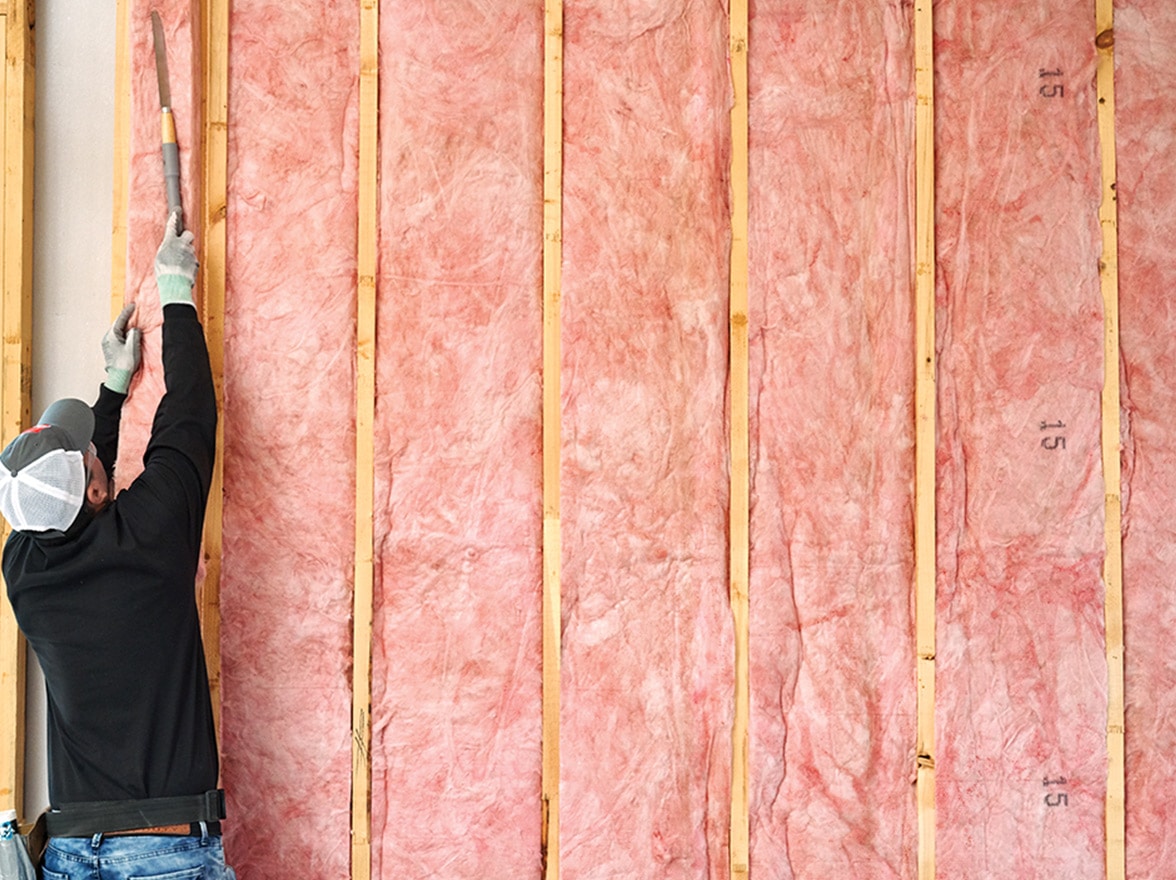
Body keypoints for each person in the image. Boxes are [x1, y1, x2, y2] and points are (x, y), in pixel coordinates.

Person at [0, 213, 234, 879]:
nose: (97, 458)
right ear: (97, 490)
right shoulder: (151, 536)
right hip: (164, 855)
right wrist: (177, 291)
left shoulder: (23, 572)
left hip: (72, 852)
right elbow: (188, 413)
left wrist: (112, 388)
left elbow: (74, 502)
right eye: (92, 461)